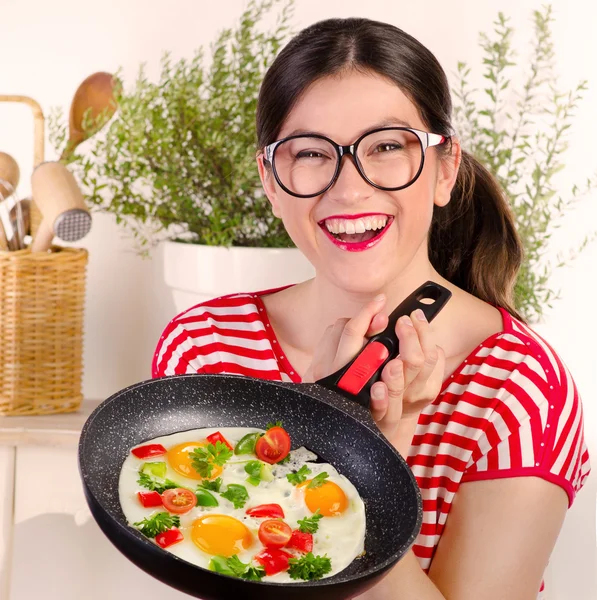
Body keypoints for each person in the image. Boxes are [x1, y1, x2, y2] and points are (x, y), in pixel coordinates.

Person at [152, 17, 590, 600]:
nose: (350, 188)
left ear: (444, 168)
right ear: (271, 180)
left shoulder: (518, 389)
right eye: (310, 153)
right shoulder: (205, 346)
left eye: (386, 147)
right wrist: (319, 434)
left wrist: (361, 462)